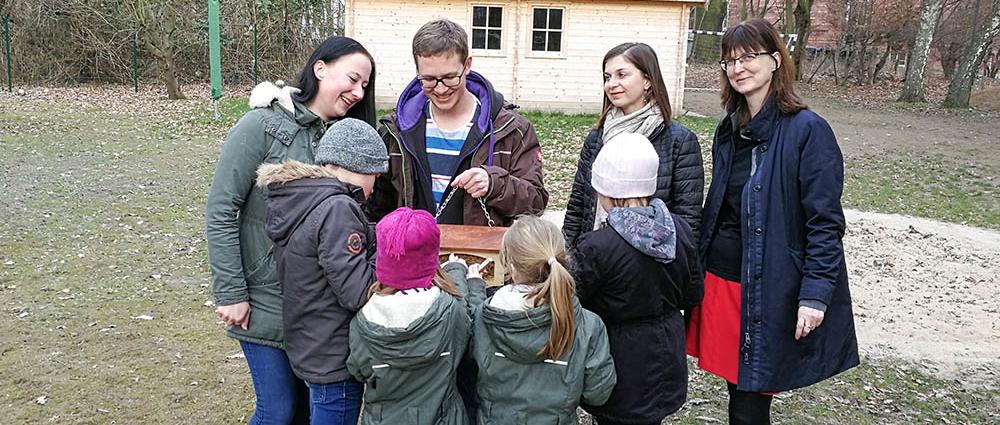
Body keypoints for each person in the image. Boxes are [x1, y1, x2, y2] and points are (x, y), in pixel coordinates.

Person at [686, 18, 859, 424]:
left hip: (770, 283)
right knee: (738, 387)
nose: (738, 68)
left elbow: (825, 222)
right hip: (723, 279)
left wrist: (815, 294)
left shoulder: (808, 131)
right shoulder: (728, 130)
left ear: (776, 61)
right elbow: (723, 206)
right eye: (729, 61)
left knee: (752, 399)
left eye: (749, 57)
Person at [205, 36, 375, 425]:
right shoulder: (261, 124)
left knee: (305, 411)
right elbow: (221, 209)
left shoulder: (347, 137)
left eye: (365, 85)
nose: (358, 91)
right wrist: (231, 292)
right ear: (320, 68)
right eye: (352, 78)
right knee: (277, 410)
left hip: (319, 307)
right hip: (265, 300)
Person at [256, 117, 387, 424]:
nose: (374, 188)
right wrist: (387, 249)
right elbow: (357, 292)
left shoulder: (304, 199)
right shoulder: (338, 208)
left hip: (311, 344)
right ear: (358, 167)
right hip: (334, 358)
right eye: (375, 177)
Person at [569, 133, 703, 425]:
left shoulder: (597, 246)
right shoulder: (680, 230)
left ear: (605, 190)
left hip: (618, 361)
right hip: (666, 356)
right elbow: (692, 294)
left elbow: (574, 302)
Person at [370, 18, 547, 226]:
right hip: (412, 255)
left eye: (450, 77)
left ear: (467, 65)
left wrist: (494, 184)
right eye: (428, 79)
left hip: (480, 255)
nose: (441, 89)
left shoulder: (512, 130)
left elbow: (536, 201)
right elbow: (379, 209)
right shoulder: (395, 132)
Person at [469, 216, 617, 424]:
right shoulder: (587, 325)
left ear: (511, 267)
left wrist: (474, 288)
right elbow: (598, 393)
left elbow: (468, 376)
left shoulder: (484, 319)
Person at [346, 207, 487, 425]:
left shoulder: (362, 322)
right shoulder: (451, 312)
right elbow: (469, 327)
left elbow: (359, 369)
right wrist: (460, 274)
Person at [563, 42, 703, 248]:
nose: (611, 84)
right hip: (593, 259)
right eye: (607, 77)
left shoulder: (679, 142)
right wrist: (567, 258)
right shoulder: (597, 138)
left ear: (647, 80)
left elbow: (687, 221)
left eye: (622, 74)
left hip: (648, 269)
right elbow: (577, 206)